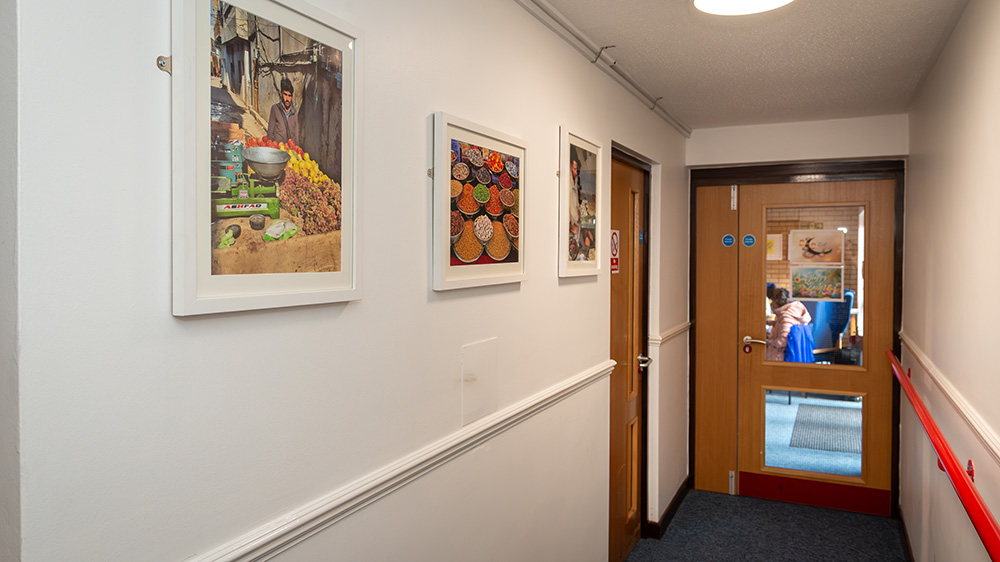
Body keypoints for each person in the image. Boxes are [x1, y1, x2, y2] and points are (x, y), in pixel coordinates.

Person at [766, 287, 811, 361]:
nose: (772, 303)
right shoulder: (790, 312)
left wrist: (769, 341)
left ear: (777, 301)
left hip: (779, 357)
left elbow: (783, 341)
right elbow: (783, 326)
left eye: (773, 301)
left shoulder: (786, 316)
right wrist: (770, 323)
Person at [267, 77, 299, 146]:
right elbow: (270, 132)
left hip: (290, 150)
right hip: (278, 149)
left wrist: (296, 148)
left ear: (292, 97)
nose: (287, 98)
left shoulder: (294, 113)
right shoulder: (275, 109)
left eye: (289, 96)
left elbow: (296, 136)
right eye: (285, 95)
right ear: (281, 94)